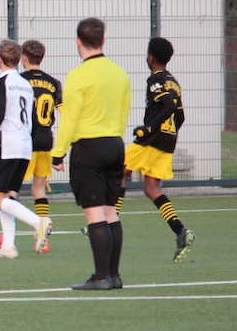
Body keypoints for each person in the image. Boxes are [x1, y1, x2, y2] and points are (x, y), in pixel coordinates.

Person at [51, 18, 131, 290]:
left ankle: (101, 277)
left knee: (95, 215)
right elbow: (123, 113)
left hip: (89, 149)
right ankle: (114, 275)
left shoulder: (78, 76)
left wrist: (58, 153)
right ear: (103, 40)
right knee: (111, 213)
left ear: (78, 42)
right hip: (115, 144)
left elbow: (69, 119)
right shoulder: (120, 74)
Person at [0, 39, 51, 260]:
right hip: (25, 147)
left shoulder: (1, 82)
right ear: (18, 60)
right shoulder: (26, 84)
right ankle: (8, 245)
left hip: (7, 147)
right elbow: (34, 120)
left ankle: (38, 222)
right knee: (7, 196)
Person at [120, 37, 195, 262]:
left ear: (150, 58)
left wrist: (149, 128)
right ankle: (180, 231)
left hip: (152, 140)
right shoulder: (174, 82)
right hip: (168, 141)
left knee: (118, 170)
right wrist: (169, 134)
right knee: (151, 187)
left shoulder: (155, 79)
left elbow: (169, 105)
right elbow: (180, 115)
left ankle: (106, 223)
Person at [0, 39, 63, 254]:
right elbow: (64, 112)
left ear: (23, 58)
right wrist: (60, 152)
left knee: (7, 192)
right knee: (38, 189)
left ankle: (10, 236)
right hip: (46, 140)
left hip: (24, 141)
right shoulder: (54, 83)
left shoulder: (20, 81)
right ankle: (41, 239)